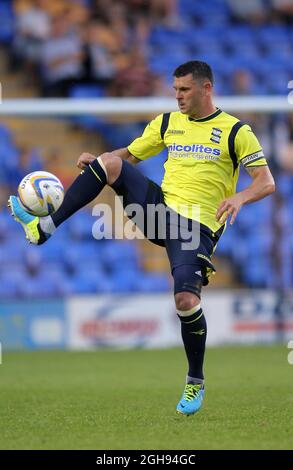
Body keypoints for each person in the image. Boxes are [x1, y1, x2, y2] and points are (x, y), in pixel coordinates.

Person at [8, 61, 275, 416]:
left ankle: (195, 381)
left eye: (184, 90)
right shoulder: (166, 123)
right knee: (111, 164)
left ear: (206, 88)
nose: (177, 96)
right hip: (159, 210)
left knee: (184, 299)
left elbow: (266, 181)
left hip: (195, 229)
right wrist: (100, 162)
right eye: (175, 89)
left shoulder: (236, 132)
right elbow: (131, 154)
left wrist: (239, 197)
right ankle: (43, 227)